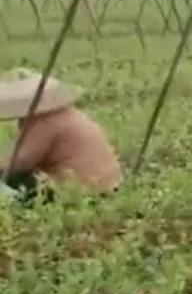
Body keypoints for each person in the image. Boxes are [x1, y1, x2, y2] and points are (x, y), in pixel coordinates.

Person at [0, 68, 122, 204]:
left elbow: (20, 161)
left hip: (83, 190)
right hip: (107, 184)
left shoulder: (45, 123)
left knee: (13, 178)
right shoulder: (68, 114)